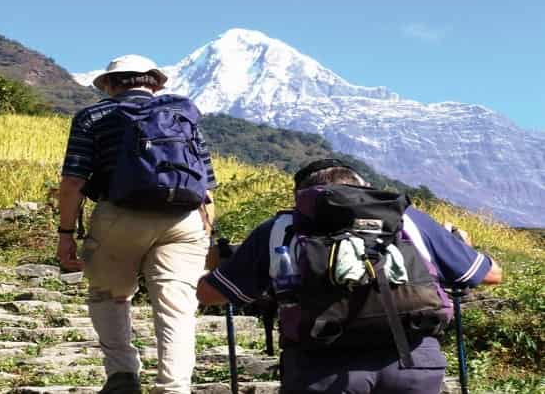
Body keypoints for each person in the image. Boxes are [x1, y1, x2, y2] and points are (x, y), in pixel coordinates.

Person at [197, 159, 503, 394]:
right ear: (364, 187)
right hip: (413, 360)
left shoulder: (280, 228)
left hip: (320, 367)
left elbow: (211, 294)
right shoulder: (407, 220)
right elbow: (489, 274)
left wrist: (200, 262)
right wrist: (461, 246)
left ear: (301, 199)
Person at [58, 54, 218, 394]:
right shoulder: (181, 115)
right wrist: (205, 234)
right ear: (155, 83)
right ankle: (174, 387)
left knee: (108, 295)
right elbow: (206, 189)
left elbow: (73, 182)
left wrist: (66, 235)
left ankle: (123, 375)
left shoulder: (94, 116)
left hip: (119, 215)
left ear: (110, 85)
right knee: (177, 304)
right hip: (184, 219)